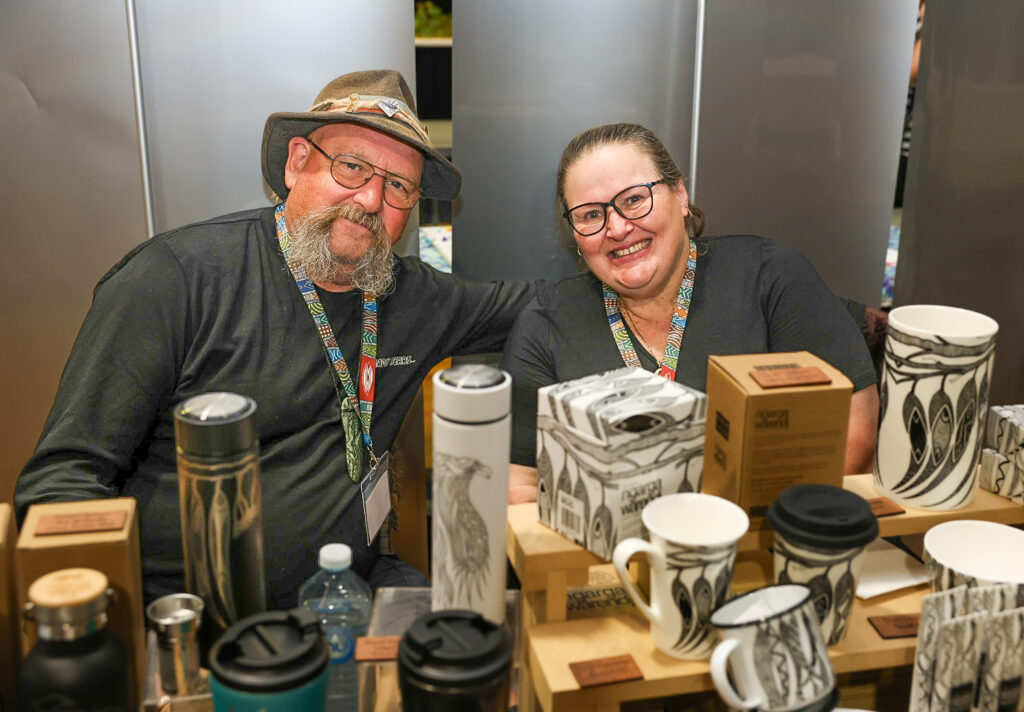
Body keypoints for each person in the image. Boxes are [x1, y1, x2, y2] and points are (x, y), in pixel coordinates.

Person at [15, 70, 535, 609]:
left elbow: (545, 306)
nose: (371, 198)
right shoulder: (174, 279)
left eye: (399, 186)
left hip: (350, 592)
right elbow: (63, 482)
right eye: (352, 166)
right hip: (190, 615)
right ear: (296, 163)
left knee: (475, 641)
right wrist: (115, 632)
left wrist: (599, 231)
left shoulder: (413, 297)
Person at [501, 123, 879, 504]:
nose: (616, 228)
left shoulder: (771, 277)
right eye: (590, 215)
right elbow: (521, 487)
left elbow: (854, 434)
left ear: (680, 196)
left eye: (634, 199)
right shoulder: (545, 326)